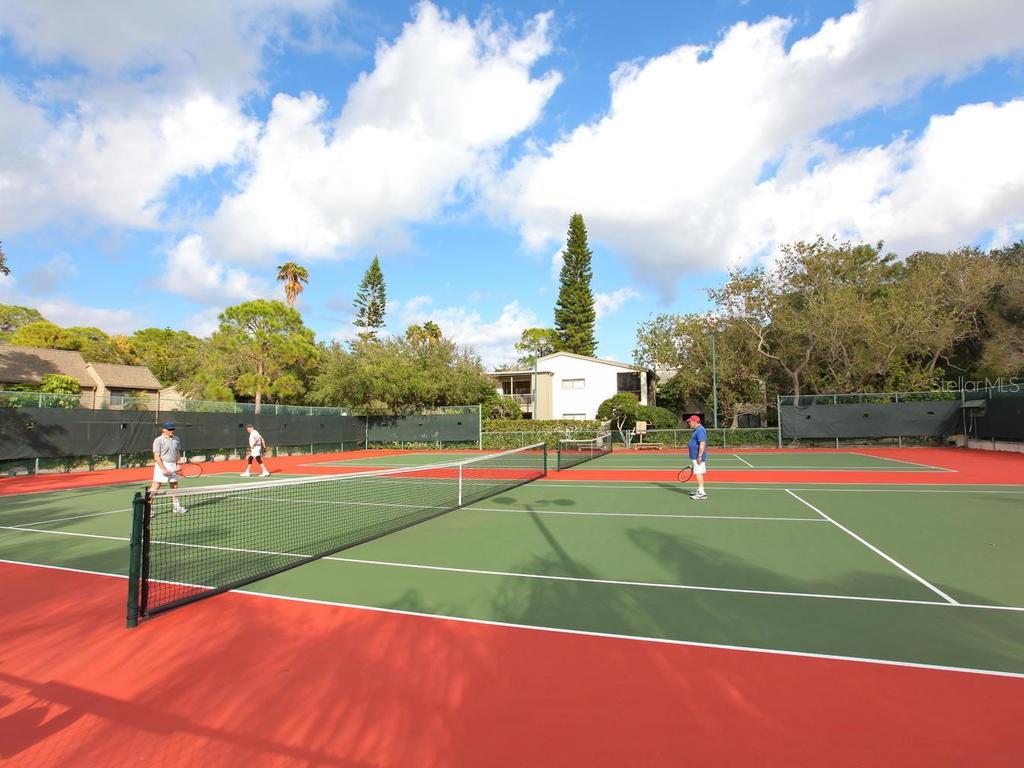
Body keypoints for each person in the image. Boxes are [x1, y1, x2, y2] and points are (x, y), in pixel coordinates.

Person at [150, 422, 187, 513]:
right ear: (163, 430)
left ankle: (176, 506)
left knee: (174, 486)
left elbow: (177, 453)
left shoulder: (176, 439)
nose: (172, 431)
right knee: (156, 486)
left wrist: (178, 464)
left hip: (173, 464)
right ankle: (148, 508)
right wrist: (163, 469)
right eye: (170, 429)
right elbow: (156, 457)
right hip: (161, 465)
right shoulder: (158, 440)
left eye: (173, 429)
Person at [686, 414, 708, 500]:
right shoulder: (697, 429)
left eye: (690, 422)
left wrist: (699, 456)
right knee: (698, 472)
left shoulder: (700, 430)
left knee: (698, 473)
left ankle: (702, 493)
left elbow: (702, 444)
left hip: (698, 456)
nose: (689, 423)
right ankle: (699, 490)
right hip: (695, 456)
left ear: (695, 421)